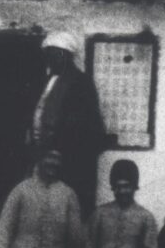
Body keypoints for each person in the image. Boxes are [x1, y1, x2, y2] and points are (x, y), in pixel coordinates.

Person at [31, 35, 109, 210]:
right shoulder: (49, 80)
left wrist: (57, 146)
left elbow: (82, 124)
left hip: (69, 158)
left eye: (53, 54)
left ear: (64, 55)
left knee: (68, 203)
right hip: (46, 155)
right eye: (48, 54)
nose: (49, 59)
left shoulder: (80, 82)